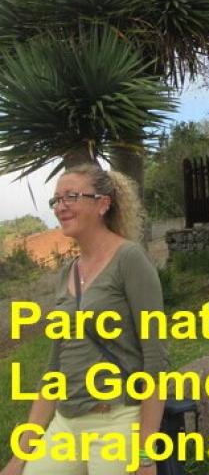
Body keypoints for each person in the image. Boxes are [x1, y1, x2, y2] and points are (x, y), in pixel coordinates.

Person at [1, 164, 169, 475]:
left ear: (103, 204)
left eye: (71, 196)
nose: (60, 206)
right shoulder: (67, 272)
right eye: (56, 200)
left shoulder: (129, 259)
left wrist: (146, 454)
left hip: (117, 420)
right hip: (66, 423)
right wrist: (19, 457)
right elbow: (54, 369)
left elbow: (155, 358)